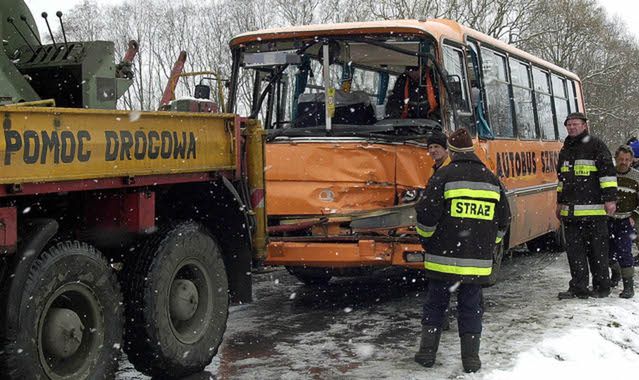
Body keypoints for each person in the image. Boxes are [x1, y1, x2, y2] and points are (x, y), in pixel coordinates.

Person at [414, 128, 511, 373]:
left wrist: (426, 240)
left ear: (452, 151)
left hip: (442, 259)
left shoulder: (443, 176)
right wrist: (490, 245)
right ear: (472, 150)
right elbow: (504, 220)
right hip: (476, 262)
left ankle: (427, 353)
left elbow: (426, 215)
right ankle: (471, 359)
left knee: (436, 305)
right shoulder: (491, 179)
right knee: (471, 308)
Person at [556, 112, 617, 299]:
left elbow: (607, 174)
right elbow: (561, 179)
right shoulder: (566, 148)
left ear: (584, 126)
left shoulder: (597, 145)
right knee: (575, 253)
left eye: (575, 124)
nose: (572, 127)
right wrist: (559, 202)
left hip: (595, 211)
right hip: (571, 212)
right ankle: (578, 287)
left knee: (597, 251)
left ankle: (602, 287)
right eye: (569, 125)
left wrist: (610, 199)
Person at [608, 145, 637, 298]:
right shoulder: (608, 175)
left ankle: (628, 285)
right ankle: (616, 273)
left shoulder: (636, 177)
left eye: (627, 160)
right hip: (608, 219)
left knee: (624, 251)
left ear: (631, 161)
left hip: (626, 220)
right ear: (616, 158)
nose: (623, 162)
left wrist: (634, 216)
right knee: (606, 252)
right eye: (621, 159)